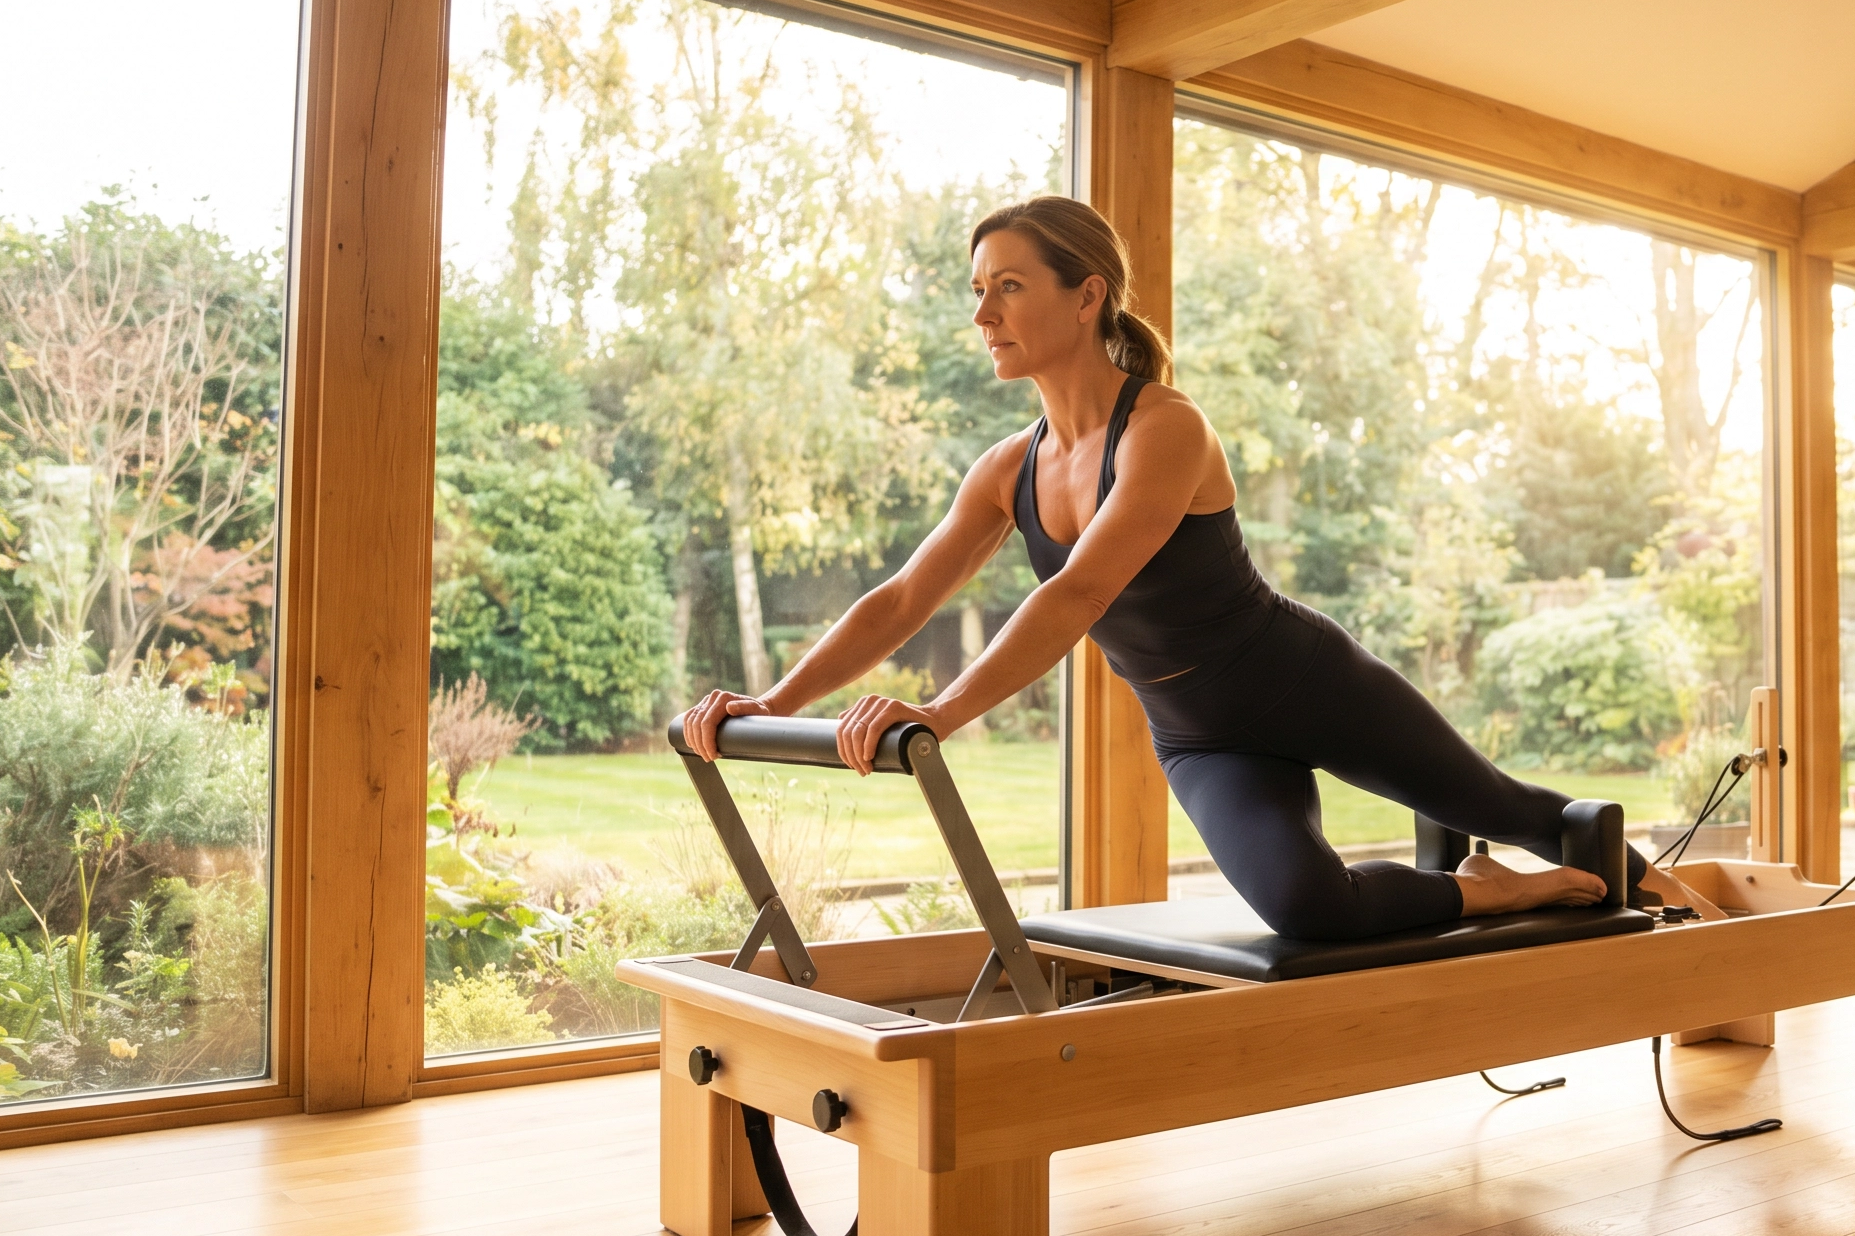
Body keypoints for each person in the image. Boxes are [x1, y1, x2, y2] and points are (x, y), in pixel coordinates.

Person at [680, 195, 1657, 941]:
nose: (982, 313)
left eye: (1008, 286)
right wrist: (772, 698)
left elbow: (1080, 591)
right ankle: (1479, 889)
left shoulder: (1164, 429)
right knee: (1307, 908)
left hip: (1304, 687)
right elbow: (900, 599)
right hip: (1200, 736)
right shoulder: (1006, 470)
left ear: (1086, 294)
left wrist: (938, 714)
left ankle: (1686, 907)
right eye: (976, 289)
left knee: (1507, 806)